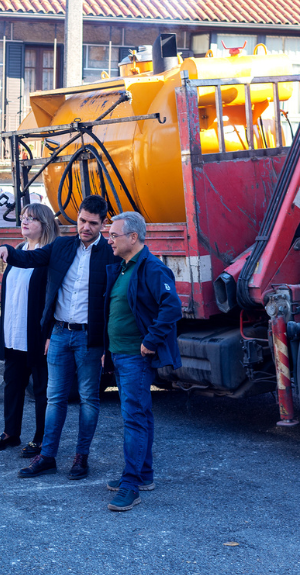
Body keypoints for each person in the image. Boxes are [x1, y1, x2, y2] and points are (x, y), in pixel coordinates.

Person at [0, 195, 119, 480]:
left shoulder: (111, 254)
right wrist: (6, 249)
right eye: (82, 220)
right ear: (77, 218)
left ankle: (80, 458)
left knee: (88, 399)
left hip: (89, 339)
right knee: (55, 397)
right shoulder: (61, 246)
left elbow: (116, 299)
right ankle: (46, 456)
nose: (85, 227)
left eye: (93, 223)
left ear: (103, 224)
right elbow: (29, 257)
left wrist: (107, 346)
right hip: (60, 333)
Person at [102, 211, 181, 512]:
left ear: (133, 237)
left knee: (134, 418)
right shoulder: (124, 268)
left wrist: (150, 340)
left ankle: (130, 484)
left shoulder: (151, 268)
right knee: (141, 415)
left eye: (114, 235)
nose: (109, 240)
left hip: (135, 357)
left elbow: (171, 306)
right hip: (120, 355)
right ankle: (143, 475)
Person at [0, 204, 59, 456]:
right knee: (12, 383)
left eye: (32, 219)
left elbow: (53, 298)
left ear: (45, 224)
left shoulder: (48, 256)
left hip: (36, 334)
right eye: (23, 218)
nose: (25, 222)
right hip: (14, 331)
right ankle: (10, 433)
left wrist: (48, 333)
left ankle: (41, 438)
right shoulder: (18, 251)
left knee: (41, 389)